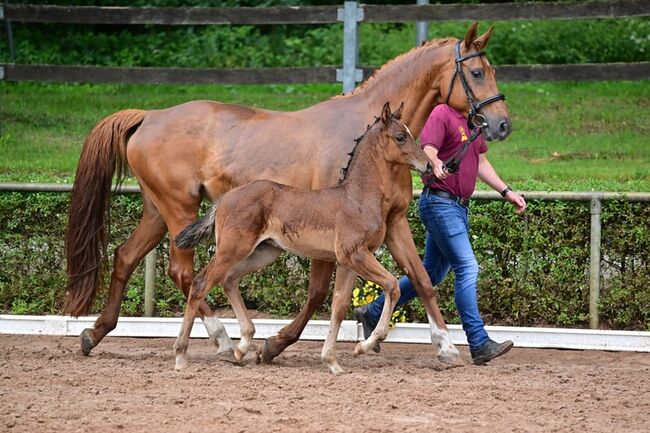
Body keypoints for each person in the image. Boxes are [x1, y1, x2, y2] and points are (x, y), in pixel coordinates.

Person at [354, 103, 526, 365]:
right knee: (468, 267)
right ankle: (478, 342)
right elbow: (428, 150)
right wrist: (434, 163)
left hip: (458, 207)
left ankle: (373, 312)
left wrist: (507, 192)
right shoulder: (442, 113)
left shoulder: (473, 121)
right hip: (441, 204)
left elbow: (480, 160)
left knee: (432, 273)